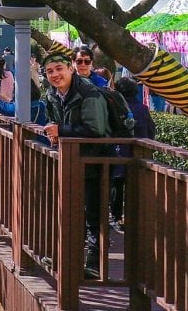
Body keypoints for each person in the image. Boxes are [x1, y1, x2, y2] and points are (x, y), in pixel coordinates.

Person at [41, 48, 111, 278]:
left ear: (71, 69)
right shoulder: (53, 94)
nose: (55, 75)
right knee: (69, 210)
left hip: (94, 160)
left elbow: (96, 130)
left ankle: (94, 263)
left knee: (93, 212)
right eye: (50, 71)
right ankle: (69, 256)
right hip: (72, 160)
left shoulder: (89, 93)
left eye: (59, 69)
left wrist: (61, 130)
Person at [110, 77, 157, 227]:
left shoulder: (114, 107)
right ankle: (133, 217)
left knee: (116, 186)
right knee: (134, 186)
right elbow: (151, 130)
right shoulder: (142, 108)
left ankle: (117, 217)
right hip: (138, 153)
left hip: (117, 152)